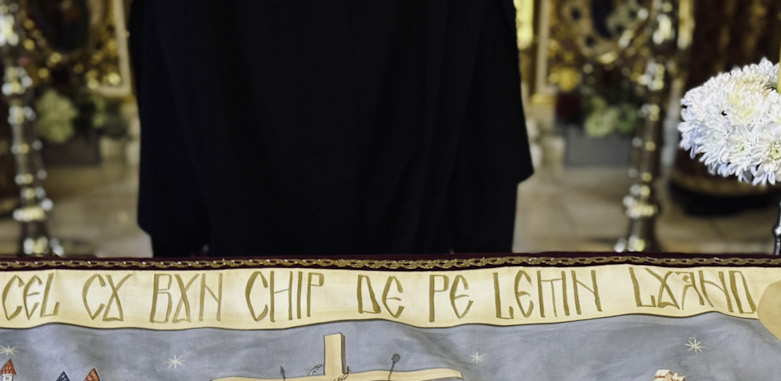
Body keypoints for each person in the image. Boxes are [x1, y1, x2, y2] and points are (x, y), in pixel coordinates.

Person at [130, 0, 533, 257]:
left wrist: (176, 252)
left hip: (248, 292)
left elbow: (170, 142)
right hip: (410, 287)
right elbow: (487, 137)